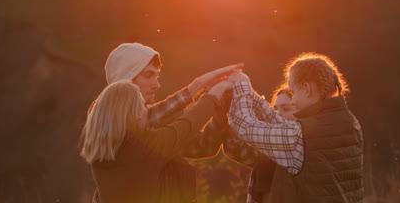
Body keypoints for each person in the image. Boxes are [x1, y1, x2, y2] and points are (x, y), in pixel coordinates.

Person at [90, 43, 242, 202]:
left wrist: (217, 112)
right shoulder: (123, 135)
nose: (157, 85)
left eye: (157, 76)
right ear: (125, 80)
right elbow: (182, 127)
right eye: (148, 75)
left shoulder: (127, 125)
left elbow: (203, 147)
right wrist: (214, 95)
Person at [227, 52, 364, 202]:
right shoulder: (348, 121)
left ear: (306, 88)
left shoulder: (303, 134)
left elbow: (244, 125)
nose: (293, 101)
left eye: (293, 92)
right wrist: (251, 96)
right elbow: (284, 126)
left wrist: (241, 84)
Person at [81, 80, 231, 203]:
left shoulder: (102, 149)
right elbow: (185, 126)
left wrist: (218, 116)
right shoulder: (142, 147)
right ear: (131, 113)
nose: (146, 110)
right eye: (142, 106)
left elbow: (201, 145)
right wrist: (215, 95)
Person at [223, 87, 296, 203]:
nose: (277, 114)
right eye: (274, 109)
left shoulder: (304, 149)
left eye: (286, 109)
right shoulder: (268, 149)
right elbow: (235, 148)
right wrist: (231, 108)